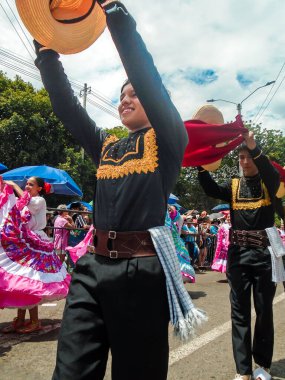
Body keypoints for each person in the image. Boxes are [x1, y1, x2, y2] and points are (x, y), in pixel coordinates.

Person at [33, 1, 206, 379]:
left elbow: (146, 77)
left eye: (135, 93)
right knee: (70, 372)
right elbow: (67, 109)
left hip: (141, 273)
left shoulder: (170, 139)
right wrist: (45, 50)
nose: (125, 98)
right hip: (91, 269)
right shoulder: (106, 145)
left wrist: (112, 12)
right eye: (122, 94)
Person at [198, 131, 280, 380]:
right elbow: (210, 187)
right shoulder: (233, 186)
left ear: (256, 157)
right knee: (239, 311)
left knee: (264, 309)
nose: (244, 162)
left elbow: (272, 173)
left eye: (248, 157)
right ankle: (242, 370)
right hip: (238, 256)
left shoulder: (270, 184)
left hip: (265, 256)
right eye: (240, 158)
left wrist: (254, 145)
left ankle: (262, 364)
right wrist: (201, 162)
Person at [0, 176, 70, 333]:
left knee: (33, 279)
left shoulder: (39, 200)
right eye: (26, 184)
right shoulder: (27, 202)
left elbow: (26, 202)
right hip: (26, 239)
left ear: (39, 188)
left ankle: (34, 320)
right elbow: (16, 210)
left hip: (36, 242)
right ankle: (20, 319)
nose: (27, 186)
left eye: (31, 184)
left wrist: (13, 186)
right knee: (22, 279)